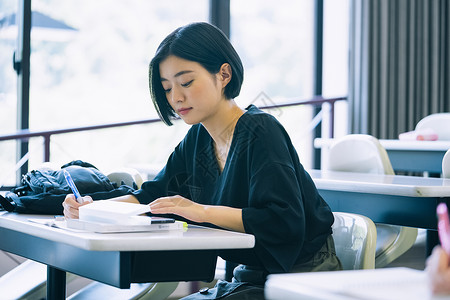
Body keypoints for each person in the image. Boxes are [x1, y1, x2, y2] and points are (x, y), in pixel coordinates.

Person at [63, 22, 342, 299]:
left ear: (223, 75)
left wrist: (200, 211)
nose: (176, 97)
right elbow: (154, 196)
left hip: (301, 276)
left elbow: (283, 222)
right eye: (167, 88)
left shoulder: (261, 131)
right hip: (249, 277)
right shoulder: (198, 138)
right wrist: (92, 209)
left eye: (186, 83)